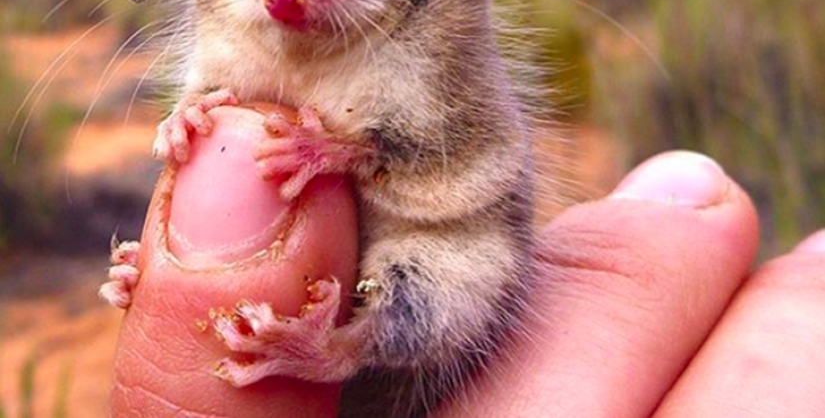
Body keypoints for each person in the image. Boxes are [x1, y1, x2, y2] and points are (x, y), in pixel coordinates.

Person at [108, 106, 825, 417]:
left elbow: (473, 167)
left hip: (425, 262)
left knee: (444, 280)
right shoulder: (234, 39)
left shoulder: (436, 54)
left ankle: (336, 345)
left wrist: (356, 153)